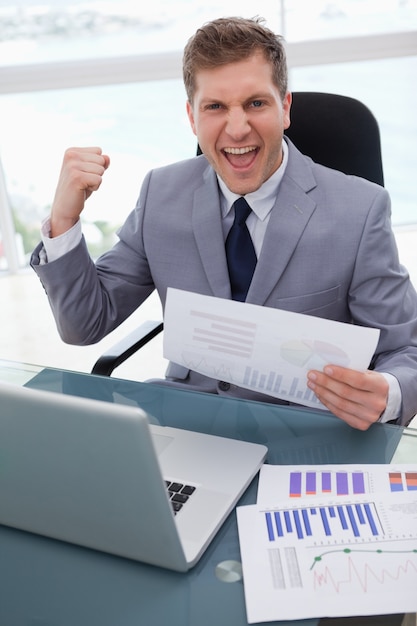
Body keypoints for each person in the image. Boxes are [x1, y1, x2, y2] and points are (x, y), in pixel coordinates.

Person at [31, 16, 417, 430]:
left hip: (307, 434)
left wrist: (389, 393)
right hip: (190, 427)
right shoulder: (161, 194)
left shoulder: (360, 209)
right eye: (215, 106)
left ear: (284, 108)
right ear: (192, 117)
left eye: (255, 103)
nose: (237, 128)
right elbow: (85, 323)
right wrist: (65, 219)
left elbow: (405, 349)